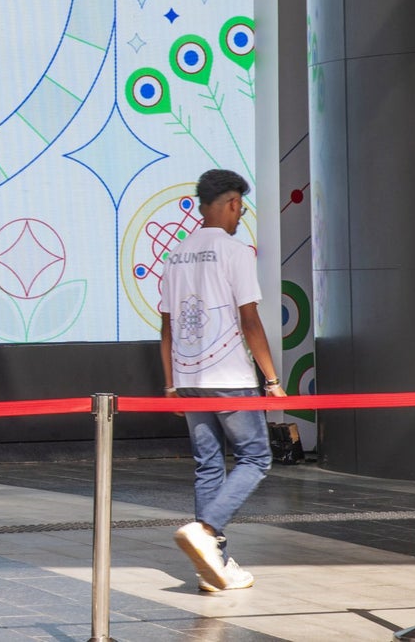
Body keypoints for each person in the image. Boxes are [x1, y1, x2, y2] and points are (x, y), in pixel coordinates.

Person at [159, 169, 287, 592]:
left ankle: (212, 567)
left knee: (208, 465)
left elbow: (167, 326)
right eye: (241, 208)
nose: (240, 216)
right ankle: (207, 529)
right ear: (232, 204)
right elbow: (249, 319)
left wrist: (171, 384)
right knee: (256, 458)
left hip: (188, 376)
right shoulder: (235, 251)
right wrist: (271, 378)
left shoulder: (176, 255)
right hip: (229, 375)